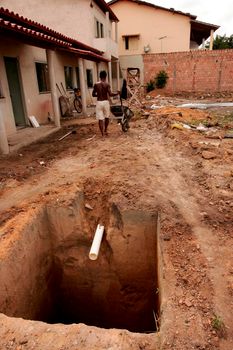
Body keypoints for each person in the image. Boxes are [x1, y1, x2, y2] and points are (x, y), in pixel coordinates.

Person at [92, 70, 119, 136]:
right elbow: (110, 94)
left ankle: (102, 134)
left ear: (100, 76)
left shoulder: (96, 84)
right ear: (105, 76)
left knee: (100, 119)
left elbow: (93, 94)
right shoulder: (107, 84)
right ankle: (105, 130)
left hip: (99, 102)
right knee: (107, 117)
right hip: (106, 102)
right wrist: (117, 93)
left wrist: (98, 95)